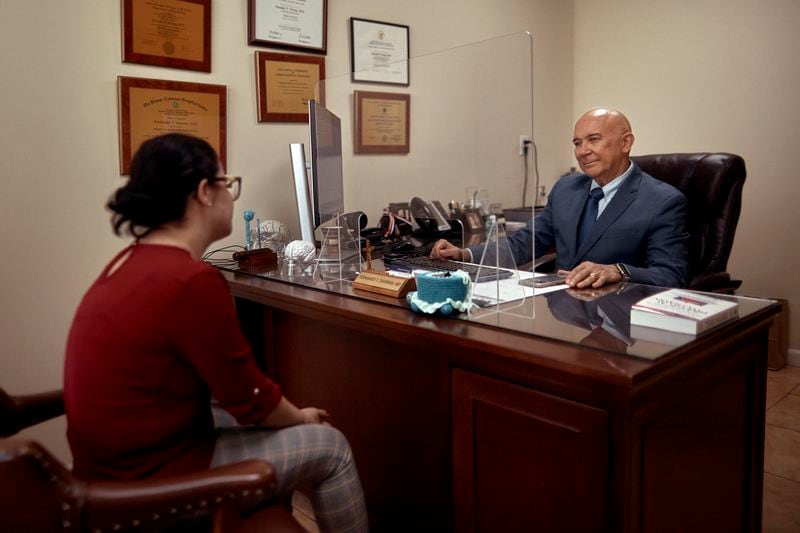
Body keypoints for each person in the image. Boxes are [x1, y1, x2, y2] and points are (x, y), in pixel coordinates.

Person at [64, 133, 368, 532]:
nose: (231, 194)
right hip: (148, 482)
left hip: (105, 469)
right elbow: (250, 400)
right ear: (205, 192)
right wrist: (303, 416)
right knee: (332, 447)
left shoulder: (129, 261)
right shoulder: (189, 280)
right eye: (228, 183)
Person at [431, 108, 689, 289]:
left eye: (593, 140)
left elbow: (671, 275)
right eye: (577, 143)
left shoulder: (663, 201)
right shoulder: (567, 188)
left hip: (618, 319)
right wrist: (465, 254)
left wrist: (618, 271)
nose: (583, 151)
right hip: (563, 310)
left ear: (626, 143)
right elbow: (526, 242)